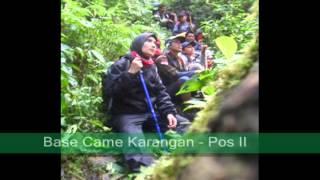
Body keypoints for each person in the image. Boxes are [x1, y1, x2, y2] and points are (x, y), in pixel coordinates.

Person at [103, 32, 190, 172]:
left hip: (152, 112)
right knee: (137, 151)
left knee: (185, 125)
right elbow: (110, 93)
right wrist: (130, 73)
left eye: (155, 42)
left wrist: (169, 112)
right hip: (128, 114)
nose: (153, 44)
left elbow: (161, 92)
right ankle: (150, 173)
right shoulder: (122, 64)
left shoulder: (152, 66)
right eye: (149, 41)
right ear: (138, 43)